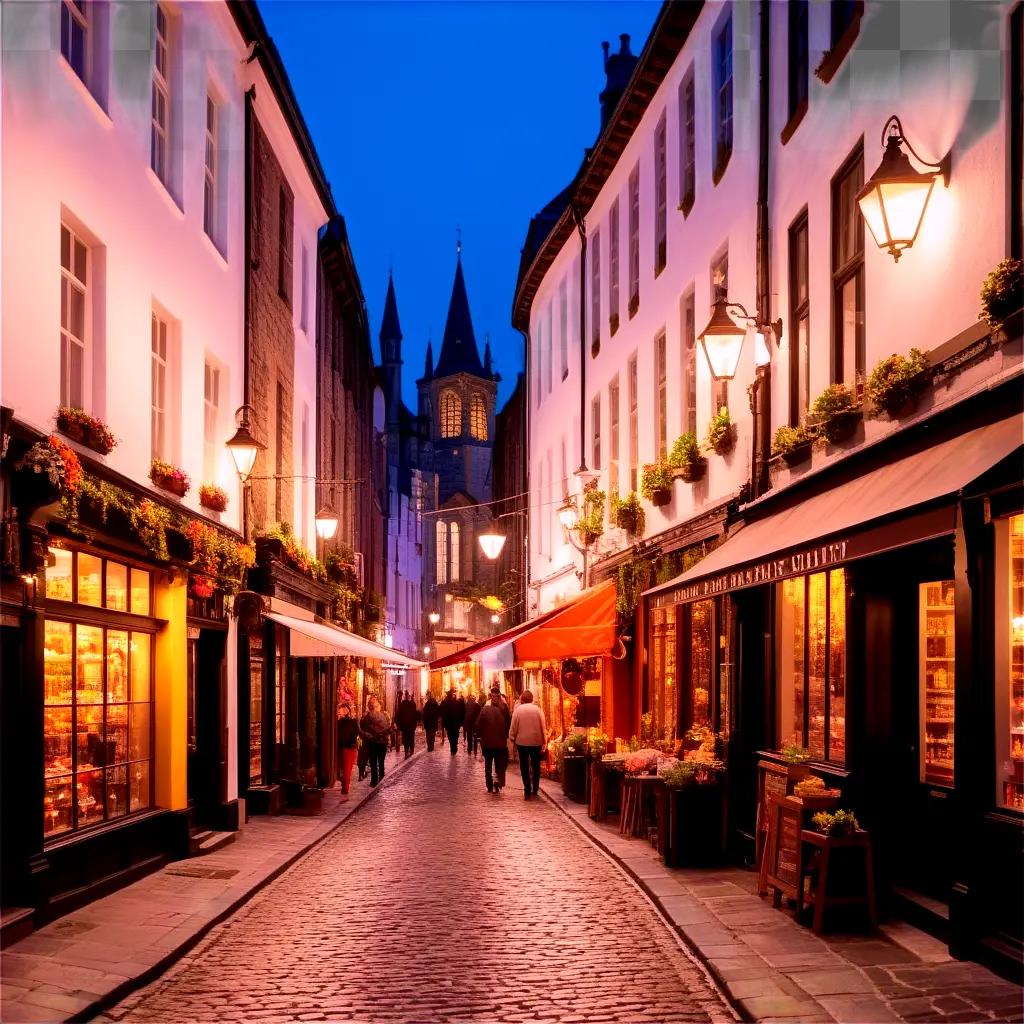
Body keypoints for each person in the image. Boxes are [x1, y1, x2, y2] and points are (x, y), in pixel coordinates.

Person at [509, 689, 547, 800]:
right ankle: (535, 789)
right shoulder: (538, 710)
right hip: (536, 742)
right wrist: (544, 741)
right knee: (536, 766)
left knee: (524, 766)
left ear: (522, 700)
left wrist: (512, 738)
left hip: (522, 742)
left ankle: (527, 789)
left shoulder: (518, 710)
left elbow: (513, 726)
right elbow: (543, 727)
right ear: (531, 699)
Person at [475, 689, 510, 793]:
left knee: (488, 765)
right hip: (500, 742)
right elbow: (509, 722)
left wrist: (479, 735)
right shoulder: (504, 707)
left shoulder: (485, 709)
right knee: (498, 764)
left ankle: (490, 785)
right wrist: (505, 735)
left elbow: (478, 724)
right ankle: (496, 781)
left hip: (488, 743)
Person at [359, 695, 391, 787]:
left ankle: (374, 781)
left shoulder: (367, 716)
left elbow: (363, 727)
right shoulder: (384, 715)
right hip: (382, 742)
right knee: (381, 761)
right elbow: (387, 728)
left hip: (373, 742)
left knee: (373, 762)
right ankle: (381, 776)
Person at [336, 701, 359, 797]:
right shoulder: (353, 722)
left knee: (343, 768)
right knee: (347, 769)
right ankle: (345, 788)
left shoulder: (339, 723)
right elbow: (357, 733)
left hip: (341, 747)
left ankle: (344, 786)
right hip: (349, 747)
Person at [439, 688, 465, 756]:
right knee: (455, 736)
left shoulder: (445, 702)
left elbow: (441, 711)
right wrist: (461, 722)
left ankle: (452, 748)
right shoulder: (456, 702)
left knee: (450, 736)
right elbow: (462, 712)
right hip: (455, 723)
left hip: (449, 723)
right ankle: (454, 748)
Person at [395, 692, 419, 758]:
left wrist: (399, 724)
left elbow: (398, 715)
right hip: (411, 725)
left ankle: (406, 751)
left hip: (404, 726)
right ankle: (411, 750)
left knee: (405, 738)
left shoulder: (402, 704)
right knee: (411, 737)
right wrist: (415, 723)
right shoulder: (412, 704)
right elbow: (415, 714)